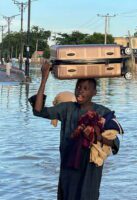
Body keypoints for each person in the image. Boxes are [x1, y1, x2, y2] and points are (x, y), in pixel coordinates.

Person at [29, 61, 121, 200]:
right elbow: (38, 111)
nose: (80, 90)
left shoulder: (104, 113)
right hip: (68, 168)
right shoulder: (67, 109)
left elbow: (115, 144)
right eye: (78, 87)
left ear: (94, 92)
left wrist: (98, 137)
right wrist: (44, 78)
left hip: (90, 171)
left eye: (85, 88)